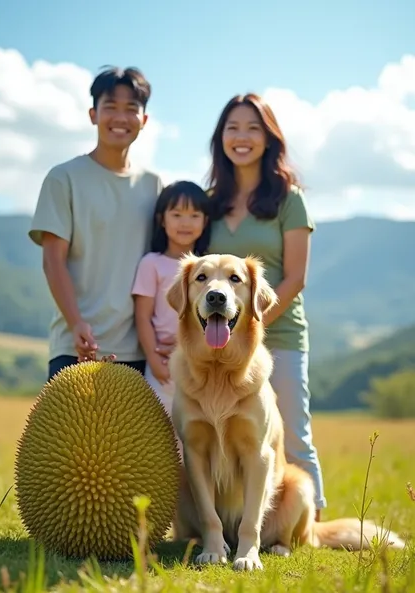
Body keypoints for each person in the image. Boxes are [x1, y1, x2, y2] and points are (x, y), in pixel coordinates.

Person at [205, 93, 327, 520]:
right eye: (232, 128)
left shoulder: (289, 199)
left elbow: (295, 278)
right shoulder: (211, 202)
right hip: (221, 341)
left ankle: (310, 523)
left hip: (281, 334)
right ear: (220, 138)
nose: (242, 137)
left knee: (292, 431)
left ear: (269, 137)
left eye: (253, 128)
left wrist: (250, 324)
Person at [28, 65, 170, 381]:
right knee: (68, 433)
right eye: (110, 107)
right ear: (93, 114)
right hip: (75, 345)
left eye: (131, 109)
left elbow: (164, 263)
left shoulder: (154, 185)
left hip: (140, 351)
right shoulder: (64, 178)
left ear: (144, 121)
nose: (120, 118)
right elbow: (53, 261)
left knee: (135, 435)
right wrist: (77, 323)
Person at [131, 180, 211, 429]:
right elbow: (142, 317)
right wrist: (154, 361)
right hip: (163, 367)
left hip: (200, 366)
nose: (185, 222)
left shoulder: (208, 267)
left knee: (198, 437)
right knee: (161, 434)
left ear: (205, 221)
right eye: (176, 215)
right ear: (162, 220)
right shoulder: (151, 263)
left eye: (194, 215)